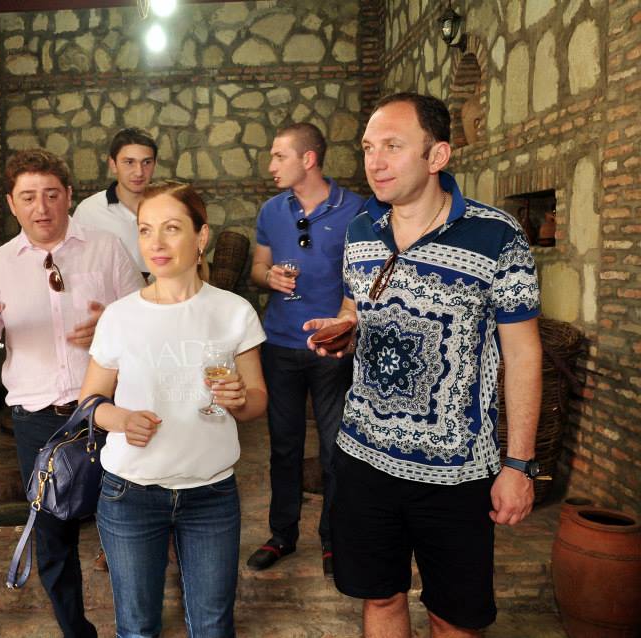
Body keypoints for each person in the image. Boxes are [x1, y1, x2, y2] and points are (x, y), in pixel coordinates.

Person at [305, 92, 542, 637]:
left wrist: (519, 465)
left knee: (453, 617)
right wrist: (345, 330)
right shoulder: (361, 229)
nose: (375, 161)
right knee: (380, 597)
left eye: (392, 146)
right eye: (368, 147)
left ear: (437, 156)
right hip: (363, 457)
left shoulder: (497, 236)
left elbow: (523, 353)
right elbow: (356, 308)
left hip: (456, 471)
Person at [0, 148, 142, 638]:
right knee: (53, 536)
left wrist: (114, 323)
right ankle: (76, 631)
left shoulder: (106, 249)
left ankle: (136, 626)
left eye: (52, 195)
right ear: (12, 204)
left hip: (106, 411)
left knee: (126, 525)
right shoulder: (0, 265)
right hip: (38, 420)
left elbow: (145, 320)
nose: (42, 208)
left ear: (69, 196)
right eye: (29, 197)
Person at [79, 181, 268, 637]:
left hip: (211, 494)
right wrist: (122, 419)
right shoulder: (120, 316)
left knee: (212, 626)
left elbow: (257, 400)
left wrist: (240, 399)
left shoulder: (234, 311)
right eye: (146, 230)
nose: (156, 243)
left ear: (201, 236)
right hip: (130, 495)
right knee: (137, 628)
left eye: (171, 228)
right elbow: (89, 404)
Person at [246, 122, 365, 575]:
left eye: (279, 156)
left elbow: (365, 275)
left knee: (335, 450)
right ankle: (282, 536)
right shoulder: (271, 210)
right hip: (279, 345)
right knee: (284, 448)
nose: (270, 165)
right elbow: (257, 267)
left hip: (332, 350)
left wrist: (343, 327)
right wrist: (268, 277)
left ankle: (334, 540)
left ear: (308, 159)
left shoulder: (357, 210)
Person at [73, 127, 157, 276]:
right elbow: (77, 268)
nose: (139, 172)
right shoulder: (89, 211)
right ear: (113, 164)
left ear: (154, 164)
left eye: (146, 162)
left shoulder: (170, 208)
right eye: (129, 162)